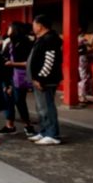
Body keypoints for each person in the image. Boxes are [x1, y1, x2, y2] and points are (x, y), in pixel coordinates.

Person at [27, 15, 63, 145]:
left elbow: (49, 61)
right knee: (41, 107)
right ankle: (43, 131)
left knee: (47, 107)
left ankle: (53, 134)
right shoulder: (42, 39)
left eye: (34, 24)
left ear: (40, 25)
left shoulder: (50, 40)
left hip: (46, 80)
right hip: (39, 79)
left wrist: (40, 78)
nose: (33, 27)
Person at [0, 22, 36, 138]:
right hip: (8, 76)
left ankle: (28, 125)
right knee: (8, 101)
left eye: (9, 28)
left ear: (15, 30)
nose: (7, 30)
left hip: (19, 77)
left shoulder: (26, 43)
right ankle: (9, 126)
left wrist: (13, 63)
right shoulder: (9, 43)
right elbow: (3, 58)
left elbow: (29, 62)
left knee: (19, 101)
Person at [77, 25, 93, 107]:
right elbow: (90, 46)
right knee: (84, 77)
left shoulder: (75, 38)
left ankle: (80, 95)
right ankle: (82, 96)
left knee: (81, 77)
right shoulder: (82, 39)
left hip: (77, 59)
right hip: (83, 59)